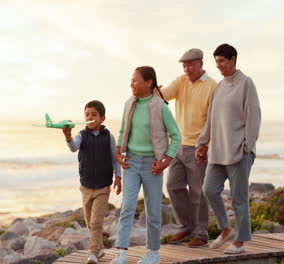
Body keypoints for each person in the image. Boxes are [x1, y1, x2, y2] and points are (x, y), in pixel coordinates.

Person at [111, 66, 182, 264]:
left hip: (153, 165)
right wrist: (118, 152)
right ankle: (122, 253)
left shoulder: (161, 106)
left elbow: (176, 136)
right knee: (127, 207)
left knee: (153, 210)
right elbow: (123, 130)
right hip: (131, 162)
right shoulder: (129, 104)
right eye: (131, 80)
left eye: (135, 80)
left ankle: (153, 253)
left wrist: (166, 162)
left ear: (148, 83)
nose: (131, 84)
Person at [196, 43, 261, 254]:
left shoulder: (246, 84)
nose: (219, 66)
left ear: (233, 59)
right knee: (209, 189)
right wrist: (202, 142)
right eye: (216, 62)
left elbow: (254, 117)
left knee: (239, 199)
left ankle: (240, 242)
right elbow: (211, 119)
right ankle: (226, 228)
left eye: (222, 61)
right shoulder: (219, 87)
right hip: (218, 151)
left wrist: (247, 147)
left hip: (238, 151)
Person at [156, 48, 217, 247]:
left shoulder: (212, 87)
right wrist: (155, 91)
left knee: (198, 191)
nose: (187, 69)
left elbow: (214, 121)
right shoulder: (180, 81)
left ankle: (201, 233)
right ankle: (186, 227)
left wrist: (206, 145)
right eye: (184, 65)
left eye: (190, 65)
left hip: (199, 147)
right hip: (178, 146)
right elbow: (163, 96)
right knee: (173, 185)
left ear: (200, 63)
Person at [61, 100, 122, 264]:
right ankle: (100, 248)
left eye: (94, 115)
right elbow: (74, 147)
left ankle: (93, 253)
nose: (90, 117)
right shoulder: (81, 135)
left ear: (102, 118)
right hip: (86, 186)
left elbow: (114, 159)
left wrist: (118, 176)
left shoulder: (108, 137)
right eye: (87, 114)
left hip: (103, 186)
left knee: (96, 222)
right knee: (90, 222)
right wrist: (68, 136)